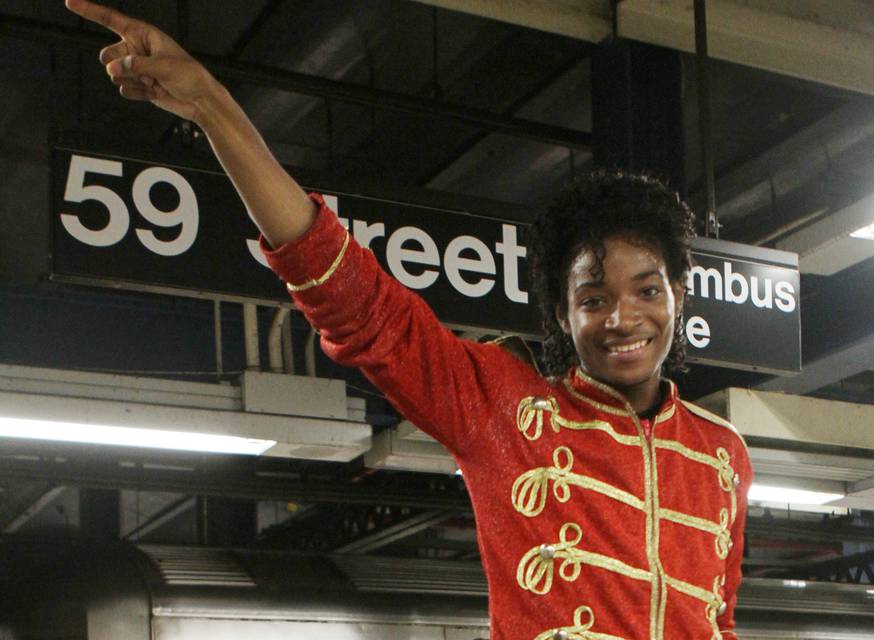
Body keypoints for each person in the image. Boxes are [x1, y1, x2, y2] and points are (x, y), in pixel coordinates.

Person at [66, 1, 752, 638]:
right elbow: (357, 302)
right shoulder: (503, 411)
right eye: (594, 298)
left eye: (647, 291)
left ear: (679, 296)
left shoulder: (725, 457)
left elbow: (719, 622)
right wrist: (214, 108)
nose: (623, 318)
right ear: (563, 317)